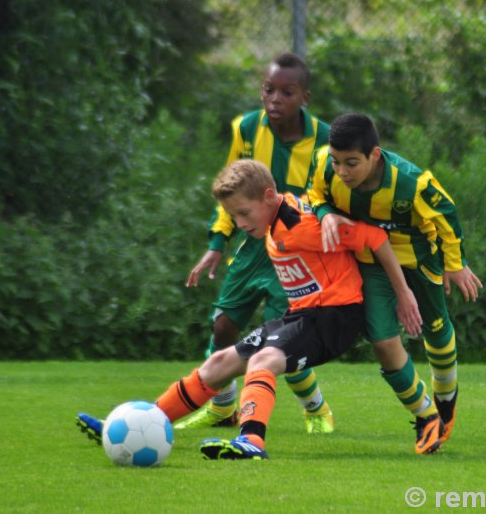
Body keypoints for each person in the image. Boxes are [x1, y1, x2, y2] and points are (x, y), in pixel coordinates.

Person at [78, 159, 434, 459]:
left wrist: (403, 293)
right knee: (217, 364)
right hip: (304, 315)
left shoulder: (303, 225)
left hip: (334, 316)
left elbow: (374, 238)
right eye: (233, 215)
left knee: (264, 361)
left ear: (268, 197)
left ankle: (251, 440)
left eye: (244, 213)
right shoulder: (273, 221)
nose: (241, 222)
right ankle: (141, 424)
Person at [181, 52, 335, 433]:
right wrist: (218, 241)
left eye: (287, 92)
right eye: (269, 90)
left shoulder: (325, 138)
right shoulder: (247, 129)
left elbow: (330, 196)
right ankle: (222, 407)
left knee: (280, 338)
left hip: (296, 250)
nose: (276, 99)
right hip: (252, 247)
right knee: (222, 325)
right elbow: (231, 191)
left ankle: (316, 409)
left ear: (305, 97)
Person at [307, 113, 482, 446]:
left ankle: (445, 403)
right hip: (372, 262)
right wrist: (324, 212)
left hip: (419, 258)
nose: (341, 171)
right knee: (382, 341)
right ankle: (425, 416)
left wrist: (454, 264)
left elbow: (447, 215)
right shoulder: (324, 165)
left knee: (435, 327)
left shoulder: (412, 182)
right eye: (336, 161)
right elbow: (315, 194)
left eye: (351, 163)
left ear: (375, 155)